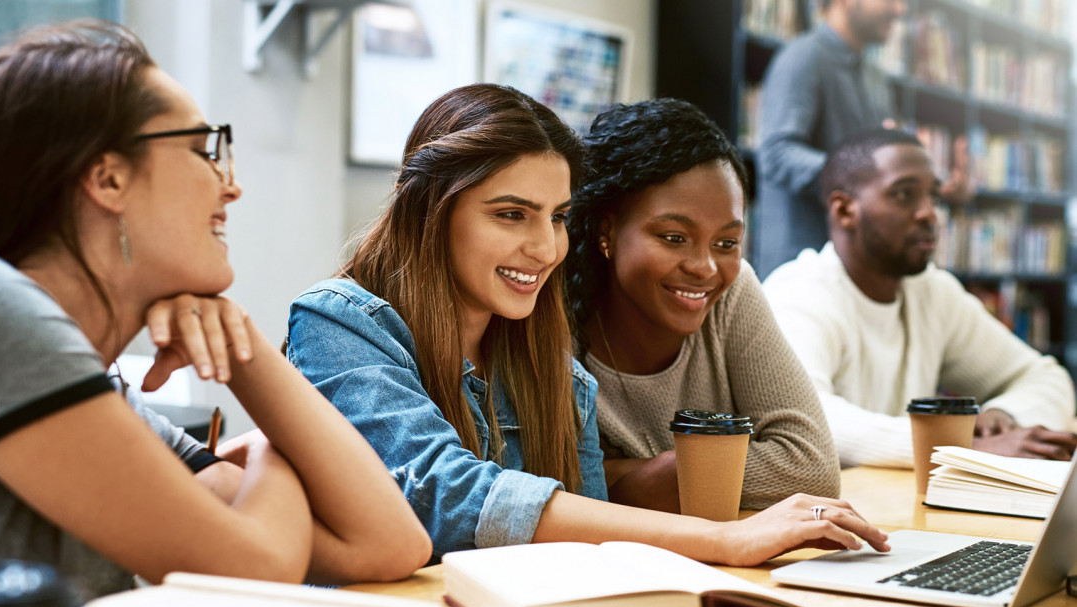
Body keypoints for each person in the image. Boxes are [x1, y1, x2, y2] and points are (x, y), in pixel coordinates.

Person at [286, 83, 890, 568]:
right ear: (431, 210)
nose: (544, 247)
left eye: (556, 218)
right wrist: (727, 541)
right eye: (511, 215)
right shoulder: (337, 324)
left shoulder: (548, 360)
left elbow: (591, 543)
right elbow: (447, 497)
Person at [0, 20, 430, 599]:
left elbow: (389, 543)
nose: (230, 187)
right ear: (108, 178)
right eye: (203, 151)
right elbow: (257, 567)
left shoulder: (106, 396)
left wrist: (245, 349)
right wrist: (277, 444)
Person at [563, 98, 840, 514]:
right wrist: (702, 471)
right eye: (674, 237)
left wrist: (637, 475)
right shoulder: (552, 310)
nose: (706, 267)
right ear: (608, 228)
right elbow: (544, 485)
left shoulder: (732, 291)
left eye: (726, 243)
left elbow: (812, 468)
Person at [763, 128, 1077, 467]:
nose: (929, 213)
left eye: (934, 197)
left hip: (895, 506)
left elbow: (1046, 377)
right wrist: (959, 448)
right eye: (904, 195)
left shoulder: (932, 292)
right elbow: (807, 419)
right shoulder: (799, 293)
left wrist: (1003, 414)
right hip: (818, 512)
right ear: (844, 210)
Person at [754, 0, 906, 278]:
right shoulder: (801, 58)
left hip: (856, 271)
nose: (899, 10)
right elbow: (776, 154)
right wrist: (859, 172)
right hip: (801, 274)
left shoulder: (876, 78)